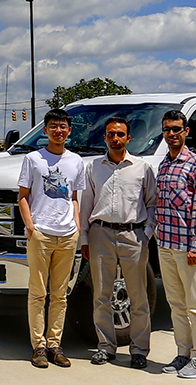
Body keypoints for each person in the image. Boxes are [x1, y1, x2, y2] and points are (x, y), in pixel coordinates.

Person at [78, 116, 156, 369]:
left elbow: (152, 203)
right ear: (105, 137)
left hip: (133, 236)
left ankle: (139, 350)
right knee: (101, 295)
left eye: (120, 134)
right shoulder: (93, 167)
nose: (115, 138)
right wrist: (85, 237)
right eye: (111, 134)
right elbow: (86, 203)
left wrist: (146, 233)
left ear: (128, 138)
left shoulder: (142, 167)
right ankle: (105, 347)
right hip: (101, 234)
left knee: (138, 296)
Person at [18, 108, 86, 368]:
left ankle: (55, 344)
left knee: (60, 295)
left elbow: (74, 198)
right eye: (53, 126)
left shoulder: (76, 161)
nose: (59, 130)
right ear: (45, 130)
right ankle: (39, 347)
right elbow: (23, 195)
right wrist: (31, 227)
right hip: (41, 234)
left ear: (69, 131)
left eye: (63, 126)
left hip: (67, 235)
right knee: (37, 293)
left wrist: (77, 226)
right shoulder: (34, 159)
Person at [155, 109, 196, 379]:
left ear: (186, 131)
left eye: (176, 129)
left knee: (195, 305)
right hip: (165, 243)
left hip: (187, 246)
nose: (171, 134)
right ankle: (183, 353)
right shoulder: (164, 165)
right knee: (176, 304)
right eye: (167, 129)